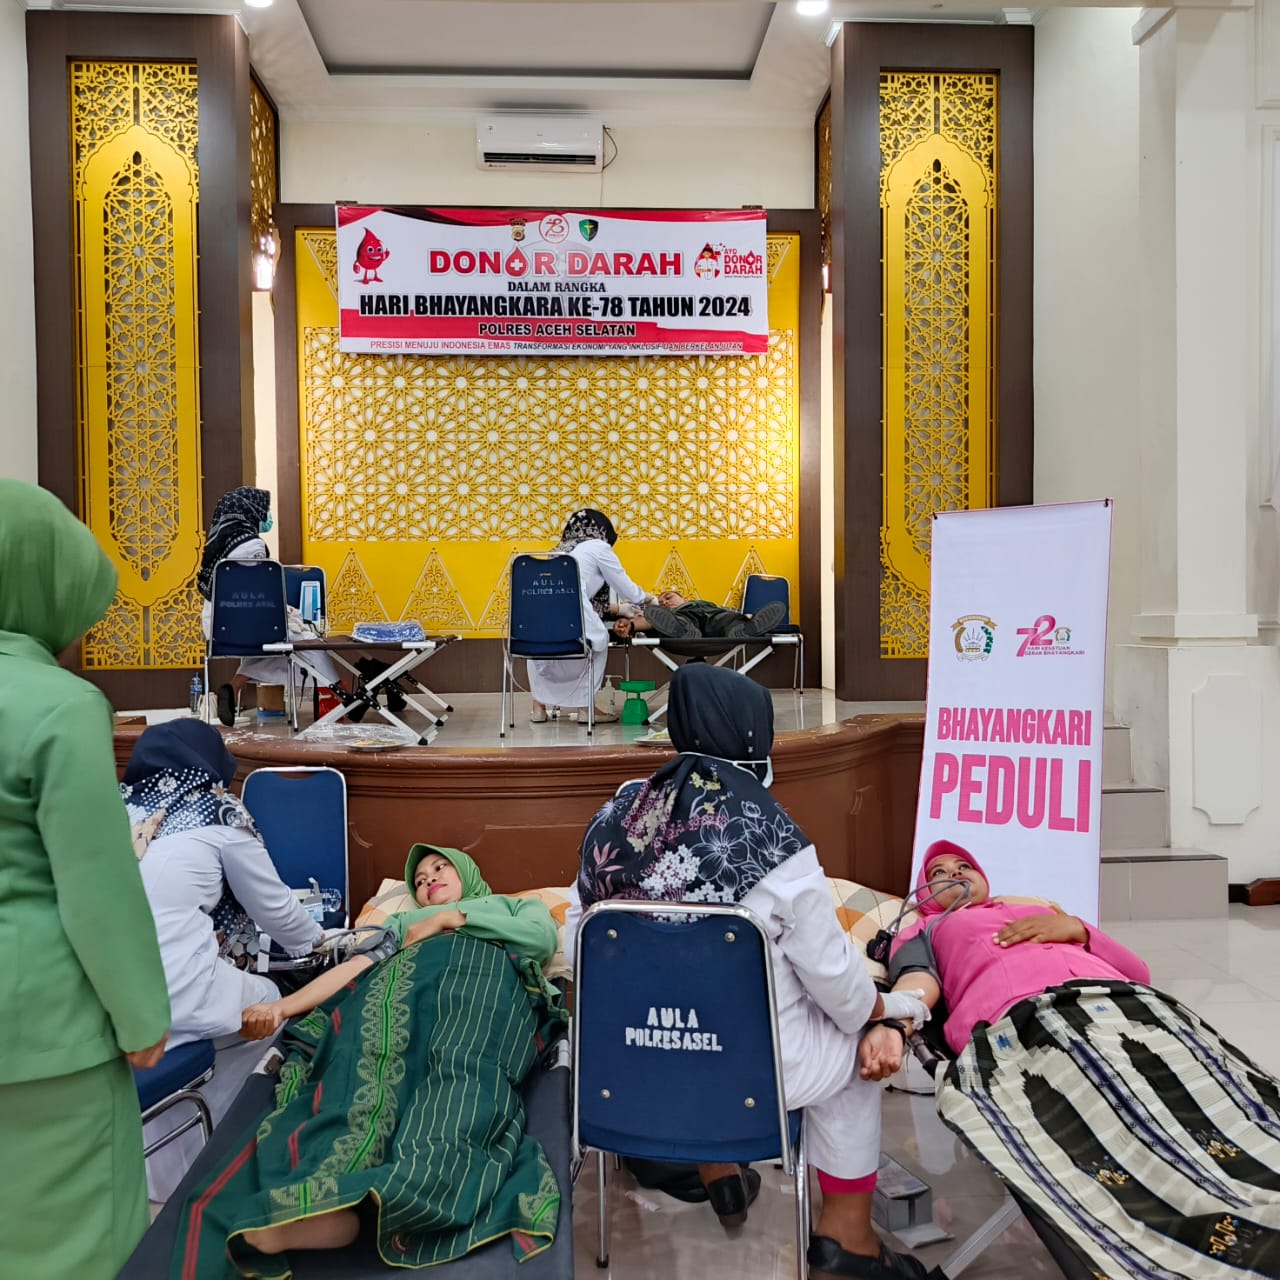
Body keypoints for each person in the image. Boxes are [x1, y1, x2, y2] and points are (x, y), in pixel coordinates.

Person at [565, 664, 930, 1280]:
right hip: (748, 1079)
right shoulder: (771, 839)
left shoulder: (616, 818)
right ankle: (847, 1239)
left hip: (624, 1072)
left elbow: (579, 944)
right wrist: (891, 1009)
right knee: (856, 1043)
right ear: (753, 737)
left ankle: (717, 1167)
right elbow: (841, 991)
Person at [870, 839, 1280, 1280]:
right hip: (1027, 1021)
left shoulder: (1040, 911)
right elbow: (917, 983)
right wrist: (894, 1024)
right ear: (925, 896)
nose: (955, 873)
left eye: (964, 866)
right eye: (938, 873)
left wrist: (1079, 931)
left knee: (1212, 1095)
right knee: (1114, 1120)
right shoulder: (926, 929)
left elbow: (1138, 972)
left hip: (1130, 1008)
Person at [172, 844, 563, 1274]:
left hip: (480, 988)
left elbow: (541, 940)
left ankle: (413, 1191)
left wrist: (449, 919)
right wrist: (282, 1008)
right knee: (361, 1072)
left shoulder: (512, 906)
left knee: (460, 1073)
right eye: (419, 880)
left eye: (440, 867)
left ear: (467, 871)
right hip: (398, 991)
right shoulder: (400, 924)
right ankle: (328, 1199)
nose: (429, 879)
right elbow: (354, 969)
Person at [0, 480, 171, 1280]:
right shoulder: (59, 706)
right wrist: (142, 1017)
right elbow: (95, 887)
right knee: (72, 1246)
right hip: (43, 1039)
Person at [121, 719, 326, 1197]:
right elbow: (278, 912)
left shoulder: (116, 809)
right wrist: (319, 944)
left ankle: (163, 1176)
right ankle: (225, 1160)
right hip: (175, 998)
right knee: (272, 1007)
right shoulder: (216, 811)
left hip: (110, 1003)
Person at [198, 486, 345, 725]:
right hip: (253, 625)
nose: (266, 516)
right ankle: (344, 699)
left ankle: (234, 687)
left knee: (275, 647)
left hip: (219, 631)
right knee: (307, 642)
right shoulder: (253, 546)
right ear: (250, 510)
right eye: (263, 510)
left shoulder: (216, 546)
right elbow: (262, 595)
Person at [527, 508, 651, 723]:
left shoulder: (559, 550)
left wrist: (619, 609)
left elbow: (576, 591)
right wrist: (650, 599)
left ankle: (538, 707)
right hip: (574, 620)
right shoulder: (598, 546)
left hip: (538, 622)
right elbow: (628, 591)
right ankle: (586, 709)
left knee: (540, 648)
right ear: (602, 531)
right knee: (598, 640)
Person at [613, 588, 786, 641]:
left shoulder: (705, 604)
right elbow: (648, 621)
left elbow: (727, 612)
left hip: (714, 617)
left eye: (668, 597)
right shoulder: (667, 615)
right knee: (672, 621)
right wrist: (632, 625)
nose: (664, 602)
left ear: (684, 598)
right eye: (661, 601)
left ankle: (744, 629)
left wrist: (747, 618)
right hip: (683, 618)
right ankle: (683, 631)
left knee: (728, 620)